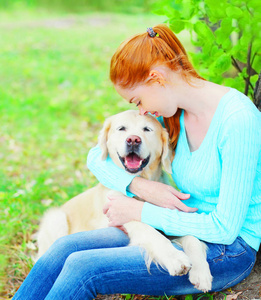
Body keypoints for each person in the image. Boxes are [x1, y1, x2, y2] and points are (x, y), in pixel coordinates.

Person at [13, 24, 260, 300]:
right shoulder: (172, 114)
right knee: (63, 249)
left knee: (83, 268)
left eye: (138, 100)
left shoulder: (238, 120)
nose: (141, 111)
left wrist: (138, 211)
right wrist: (140, 188)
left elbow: (224, 229)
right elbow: (96, 156)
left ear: (156, 78)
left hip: (226, 250)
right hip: (176, 228)